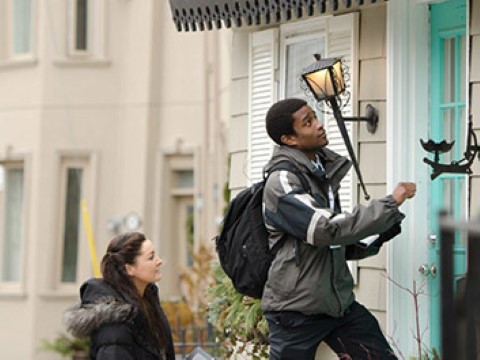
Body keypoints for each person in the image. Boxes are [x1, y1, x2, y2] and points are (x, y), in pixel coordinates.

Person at [261, 98, 416, 359]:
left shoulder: (321, 172)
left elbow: (337, 244)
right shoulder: (282, 181)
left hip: (338, 307)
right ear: (289, 139)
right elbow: (325, 229)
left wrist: (380, 232)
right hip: (295, 313)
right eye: (308, 122)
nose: (319, 125)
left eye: (315, 117)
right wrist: (390, 203)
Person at [64, 232, 175, 360]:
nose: (159, 261)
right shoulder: (115, 320)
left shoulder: (148, 301)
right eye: (151, 257)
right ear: (129, 269)